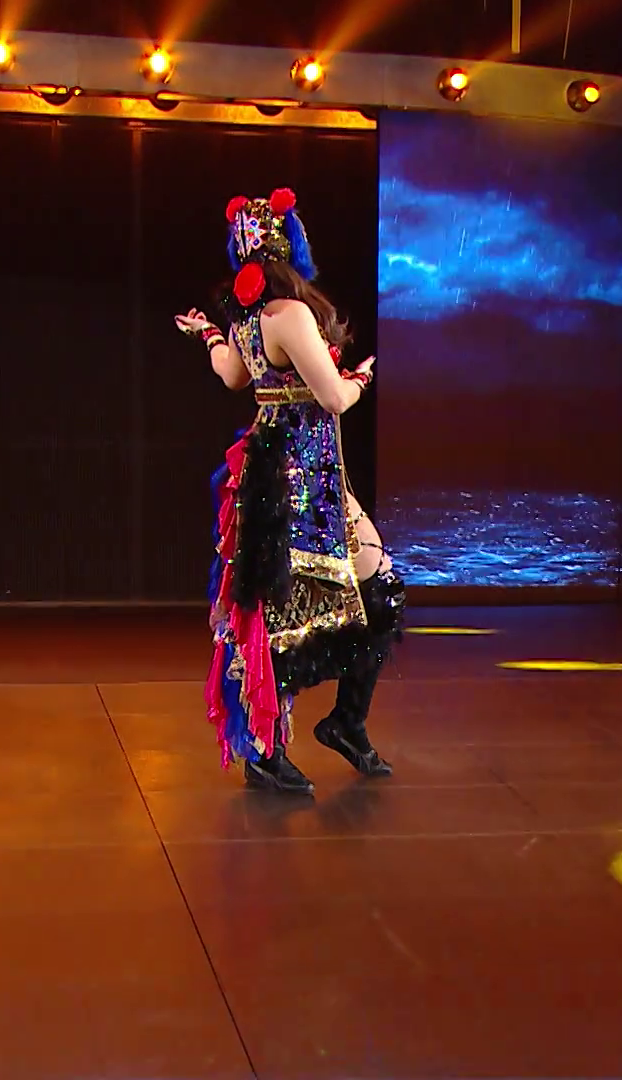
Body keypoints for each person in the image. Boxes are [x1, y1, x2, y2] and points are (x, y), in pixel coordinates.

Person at [173, 188, 403, 795]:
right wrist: (359, 379)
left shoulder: (250, 320)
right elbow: (333, 397)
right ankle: (281, 744)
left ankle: (336, 726)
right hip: (304, 479)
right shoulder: (290, 315)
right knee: (305, 606)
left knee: (328, 595)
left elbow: (231, 373)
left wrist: (207, 333)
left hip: (279, 474)